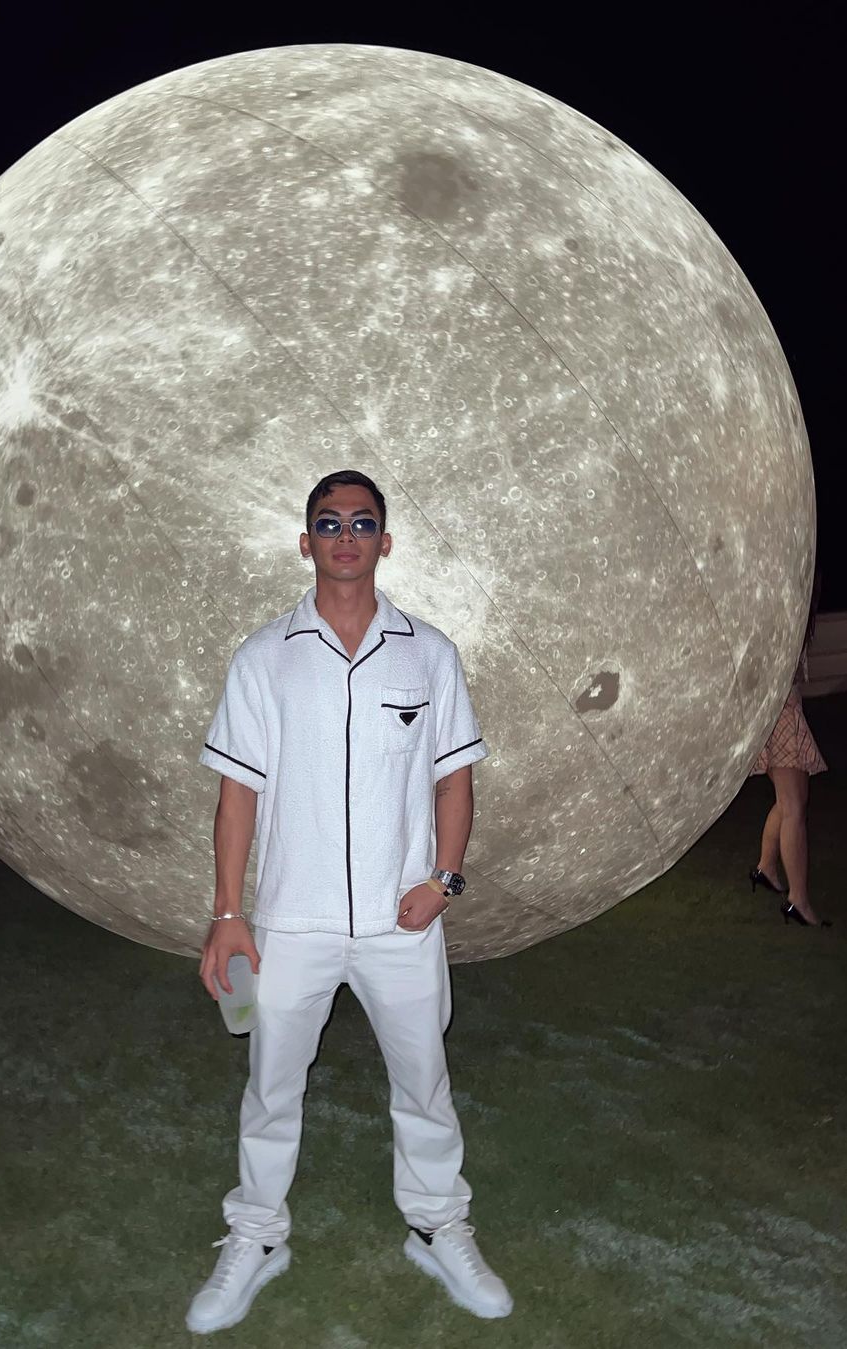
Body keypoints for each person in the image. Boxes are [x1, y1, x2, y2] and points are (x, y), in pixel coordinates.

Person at [186, 469, 512, 1334]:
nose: (345, 536)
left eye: (362, 522)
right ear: (306, 541)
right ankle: (257, 1234)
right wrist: (228, 913)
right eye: (329, 523)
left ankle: (436, 1223)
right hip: (290, 922)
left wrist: (442, 882)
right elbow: (238, 795)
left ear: (385, 541)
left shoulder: (429, 652)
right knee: (270, 1087)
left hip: (401, 924)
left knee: (424, 1081)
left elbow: (455, 778)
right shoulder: (264, 656)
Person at [748, 568, 830, 927]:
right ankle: (799, 900)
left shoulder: (787, 611)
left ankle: (766, 868)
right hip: (780, 711)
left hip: (781, 709)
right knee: (794, 806)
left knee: (789, 802)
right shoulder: (780, 610)